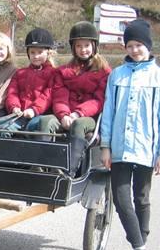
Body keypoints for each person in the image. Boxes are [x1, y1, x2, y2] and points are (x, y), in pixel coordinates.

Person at [99, 19, 160, 250]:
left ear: (148, 46)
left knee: (141, 199)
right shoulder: (117, 76)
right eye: (130, 45)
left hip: (145, 149)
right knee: (121, 199)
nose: (134, 50)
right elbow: (107, 112)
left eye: (139, 44)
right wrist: (105, 146)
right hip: (119, 148)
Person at [42, 21, 111, 176]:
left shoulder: (104, 72)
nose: (83, 50)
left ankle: (69, 171)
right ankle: (43, 166)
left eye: (86, 45)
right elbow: (60, 96)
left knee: (78, 125)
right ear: (73, 48)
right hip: (66, 114)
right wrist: (64, 114)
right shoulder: (64, 71)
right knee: (46, 122)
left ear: (94, 46)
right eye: (78, 46)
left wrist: (77, 114)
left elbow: (99, 100)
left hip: (88, 117)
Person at [2, 27, 56, 137]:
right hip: (19, 115)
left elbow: (47, 96)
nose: (36, 56)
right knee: (5, 130)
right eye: (32, 52)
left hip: (40, 114)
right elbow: (12, 92)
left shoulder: (54, 73)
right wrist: (14, 107)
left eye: (40, 52)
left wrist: (33, 110)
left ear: (48, 53)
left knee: (33, 129)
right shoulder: (20, 73)